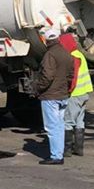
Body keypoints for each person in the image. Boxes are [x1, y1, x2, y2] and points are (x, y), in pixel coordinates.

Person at [33, 27, 74, 165]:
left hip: (51, 96)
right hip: (63, 94)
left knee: (52, 127)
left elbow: (47, 76)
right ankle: (59, 153)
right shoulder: (66, 54)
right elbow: (70, 76)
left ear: (46, 40)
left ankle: (56, 156)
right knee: (59, 125)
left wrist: (37, 88)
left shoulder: (50, 55)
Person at [60, 32, 93, 157]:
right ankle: (79, 149)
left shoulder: (73, 56)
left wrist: (68, 90)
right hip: (84, 93)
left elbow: (73, 78)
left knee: (68, 121)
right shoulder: (79, 54)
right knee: (80, 121)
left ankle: (67, 150)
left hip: (75, 94)